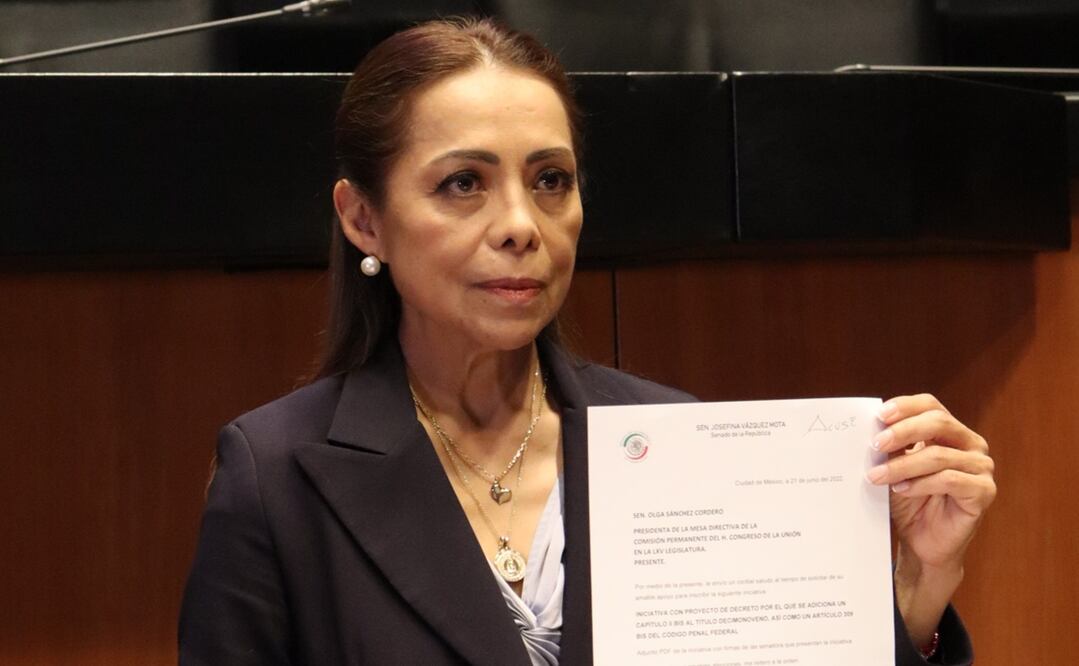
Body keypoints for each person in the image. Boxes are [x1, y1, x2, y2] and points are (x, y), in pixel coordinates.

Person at [178, 17, 996, 666]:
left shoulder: (678, 443)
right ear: (364, 219)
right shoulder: (275, 478)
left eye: (550, 180)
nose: (520, 225)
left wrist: (915, 591)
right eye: (463, 183)